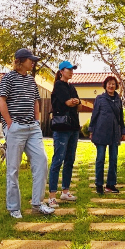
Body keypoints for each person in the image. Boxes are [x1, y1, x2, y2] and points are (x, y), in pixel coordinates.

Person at [0, 48, 55, 218]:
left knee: (41, 161)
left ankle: (37, 204)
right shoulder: (8, 78)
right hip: (16, 128)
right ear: (20, 61)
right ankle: (13, 207)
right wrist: (9, 123)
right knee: (13, 169)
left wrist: (37, 121)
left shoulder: (31, 80)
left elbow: (36, 101)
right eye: (31, 60)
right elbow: (1, 100)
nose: (33, 63)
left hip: (32, 128)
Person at [48, 61, 81, 207]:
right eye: (69, 69)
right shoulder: (58, 85)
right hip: (61, 128)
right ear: (61, 71)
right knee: (58, 160)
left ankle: (65, 191)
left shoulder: (72, 87)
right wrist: (73, 101)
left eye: (72, 69)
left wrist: (75, 101)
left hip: (74, 127)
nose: (71, 72)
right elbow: (68, 103)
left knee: (70, 160)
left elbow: (78, 105)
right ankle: (52, 196)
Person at [89, 75, 125, 195]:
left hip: (115, 133)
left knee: (113, 159)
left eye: (113, 84)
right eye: (109, 83)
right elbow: (94, 115)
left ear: (116, 86)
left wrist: (123, 131)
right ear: (105, 85)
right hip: (101, 132)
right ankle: (99, 184)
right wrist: (91, 130)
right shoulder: (100, 99)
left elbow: (121, 117)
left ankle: (110, 184)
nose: (111, 86)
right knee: (100, 159)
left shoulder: (118, 100)